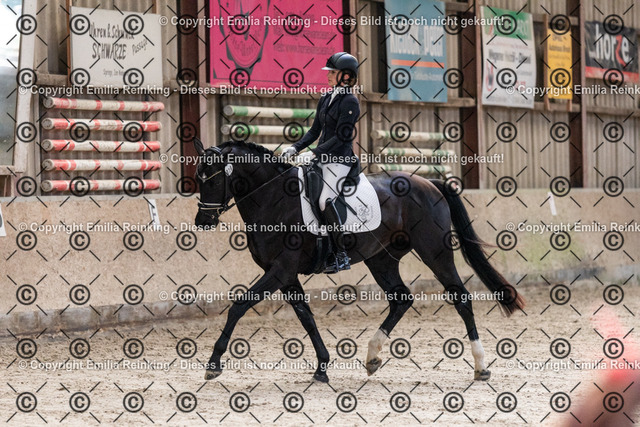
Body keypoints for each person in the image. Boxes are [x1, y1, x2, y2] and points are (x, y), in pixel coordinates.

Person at [281, 52, 360, 273]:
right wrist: (296, 147)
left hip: (340, 160)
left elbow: (343, 136)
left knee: (325, 200)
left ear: (346, 76)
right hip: (321, 157)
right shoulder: (326, 98)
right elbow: (315, 130)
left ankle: (341, 254)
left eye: (333, 72)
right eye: (329, 72)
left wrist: (314, 153)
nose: (328, 75)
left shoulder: (350, 102)